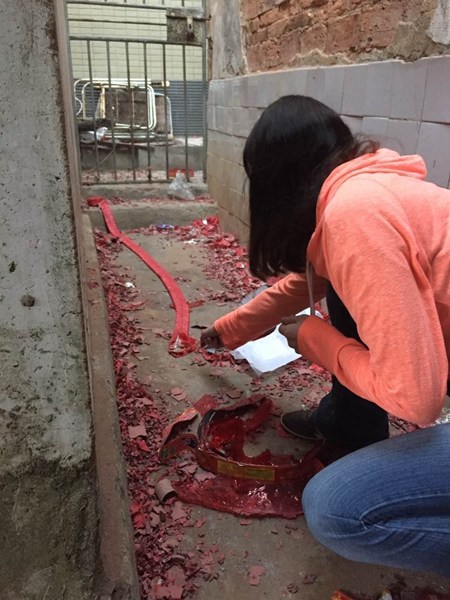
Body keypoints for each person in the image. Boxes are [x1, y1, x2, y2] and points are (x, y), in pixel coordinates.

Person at [200, 95, 450, 579]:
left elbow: (417, 399)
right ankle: (347, 425)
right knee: (342, 300)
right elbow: (307, 282)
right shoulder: (360, 191)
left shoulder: (355, 215)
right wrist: (229, 330)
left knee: (335, 511)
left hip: (421, 385)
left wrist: (316, 340)